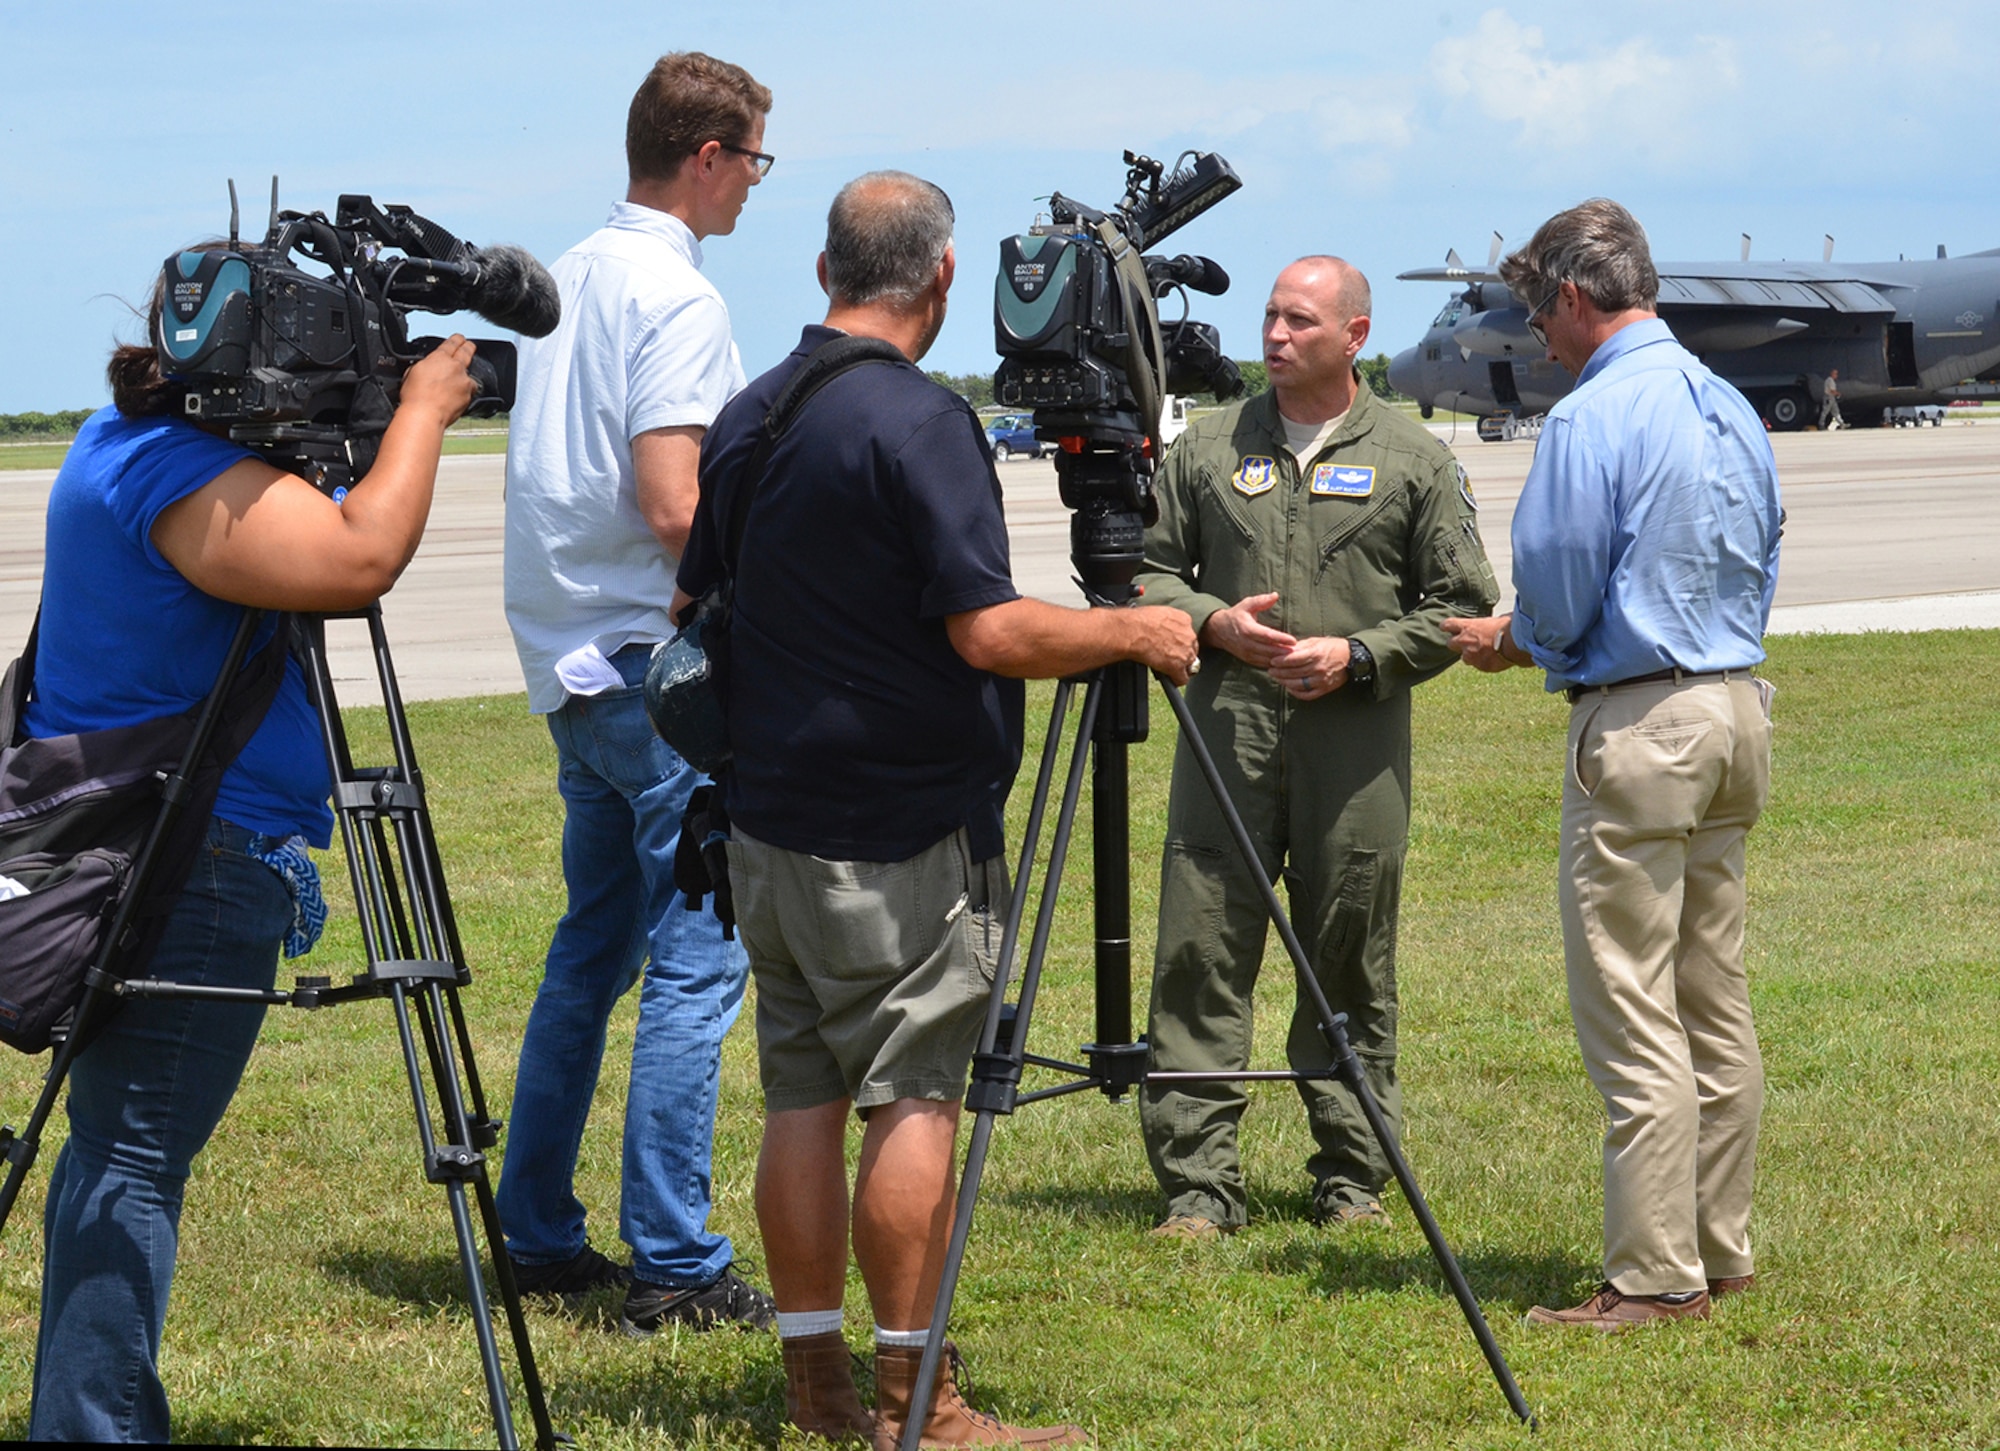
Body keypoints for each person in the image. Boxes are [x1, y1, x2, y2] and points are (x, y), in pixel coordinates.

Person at [678, 171, 1198, 1448]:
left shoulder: (751, 412)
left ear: (822, 273)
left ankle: (817, 1386)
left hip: (764, 817)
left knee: (798, 1092)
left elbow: (691, 613)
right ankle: (923, 1398)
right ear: (946, 277)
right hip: (897, 830)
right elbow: (989, 627)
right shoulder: (917, 423)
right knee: (913, 1092)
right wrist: (1128, 623)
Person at [24, 281, 476, 1439]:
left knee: (110, 1151)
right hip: (194, 853)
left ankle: (104, 1409)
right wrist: (421, 406)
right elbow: (356, 554)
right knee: (131, 1159)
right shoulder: (177, 470)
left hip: (148, 843)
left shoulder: (119, 436)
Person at [1443, 198, 1781, 1332]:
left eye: (1538, 314)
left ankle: (1650, 1275)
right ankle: (1718, 1248)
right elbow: (1761, 541)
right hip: (1734, 705)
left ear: (1576, 300)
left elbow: (1555, 584)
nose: (1536, 336)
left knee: (1632, 1008)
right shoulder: (1724, 401)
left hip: (1640, 720)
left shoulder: (1593, 416)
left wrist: (1515, 640)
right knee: (1711, 997)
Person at [496, 51, 777, 1335]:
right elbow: (676, 500)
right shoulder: (674, 295)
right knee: (695, 965)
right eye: (753, 163)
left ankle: (537, 1229)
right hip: (646, 669)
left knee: (588, 951)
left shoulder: (567, 276)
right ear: (709, 157)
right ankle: (672, 1254)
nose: (753, 190)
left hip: (565, 659)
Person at [1134, 257, 1499, 1240]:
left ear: (1353, 333)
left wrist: (1361, 654)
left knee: (1347, 958)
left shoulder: (1413, 459)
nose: (1275, 334)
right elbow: (1149, 572)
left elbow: (1460, 608)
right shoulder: (1206, 449)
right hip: (1227, 738)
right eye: (1268, 316)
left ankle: (1350, 1172)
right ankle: (1197, 1188)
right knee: (1200, 952)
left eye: (1299, 319)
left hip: (1354, 745)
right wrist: (1211, 623)